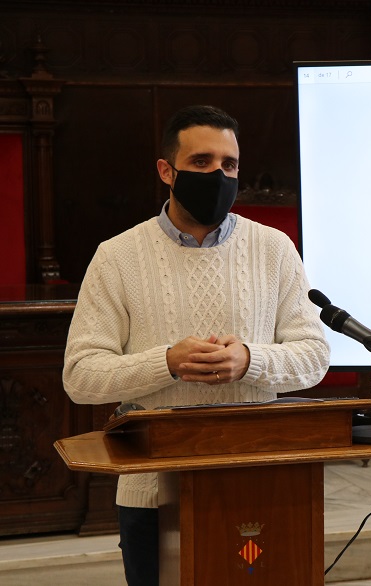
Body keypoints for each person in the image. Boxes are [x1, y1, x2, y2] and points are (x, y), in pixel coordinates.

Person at [62, 104, 330, 585]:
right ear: (167, 171)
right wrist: (167, 362)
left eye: (229, 165)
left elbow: (314, 356)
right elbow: (80, 377)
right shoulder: (117, 256)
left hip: (259, 481)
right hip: (151, 492)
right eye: (201, 162)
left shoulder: (274, 247)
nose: (218, 176)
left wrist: (250, 360)